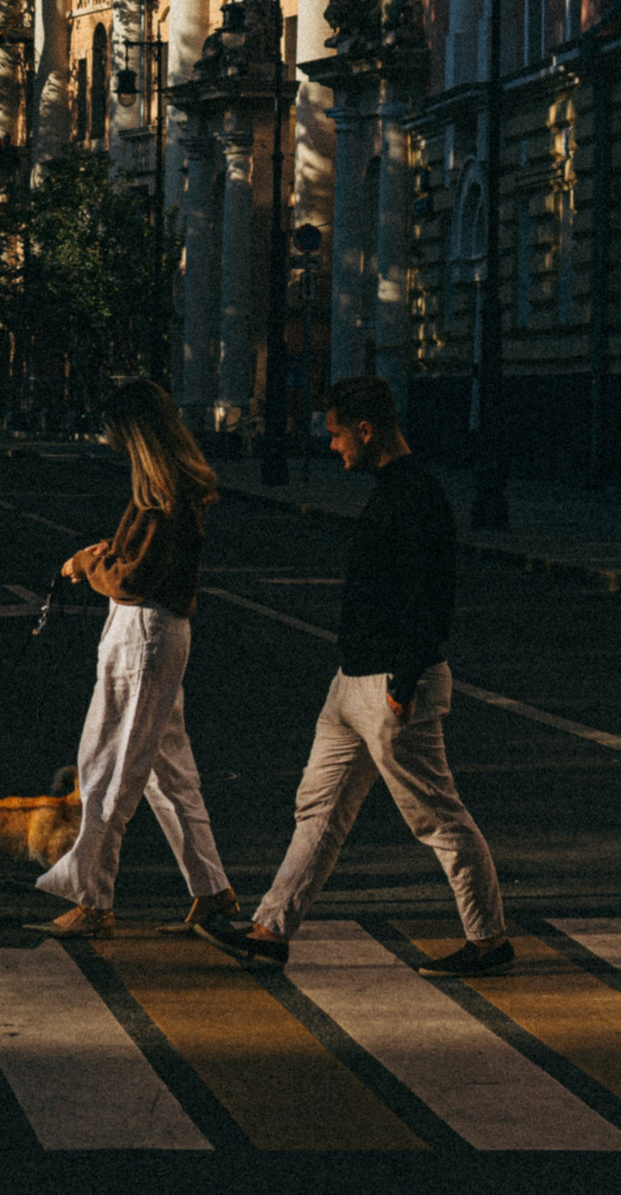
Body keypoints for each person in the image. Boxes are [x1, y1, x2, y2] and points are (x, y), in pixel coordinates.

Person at [197, 374, 511, 977]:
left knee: (437, 819)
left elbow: (431, 600)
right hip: (351, 685)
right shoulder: (391, 490)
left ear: (368, 431)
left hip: (393, 685)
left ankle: (489, 939)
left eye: (338, 434)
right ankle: (269, 930)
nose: (333, 446)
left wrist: (403, 684)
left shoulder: (416, 496)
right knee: (318, 808)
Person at [27, 379, 237, 939]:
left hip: (142, 635)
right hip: (160, 633)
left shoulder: (159, 496)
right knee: (168, 774)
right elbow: (137, 564)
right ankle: (212, 891)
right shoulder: (173, 490)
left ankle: (92, 901)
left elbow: (131, 578)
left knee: (107, 767)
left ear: (136, 434)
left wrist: (85, 565)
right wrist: (110, 556)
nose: (111, 442)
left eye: (116, 433)